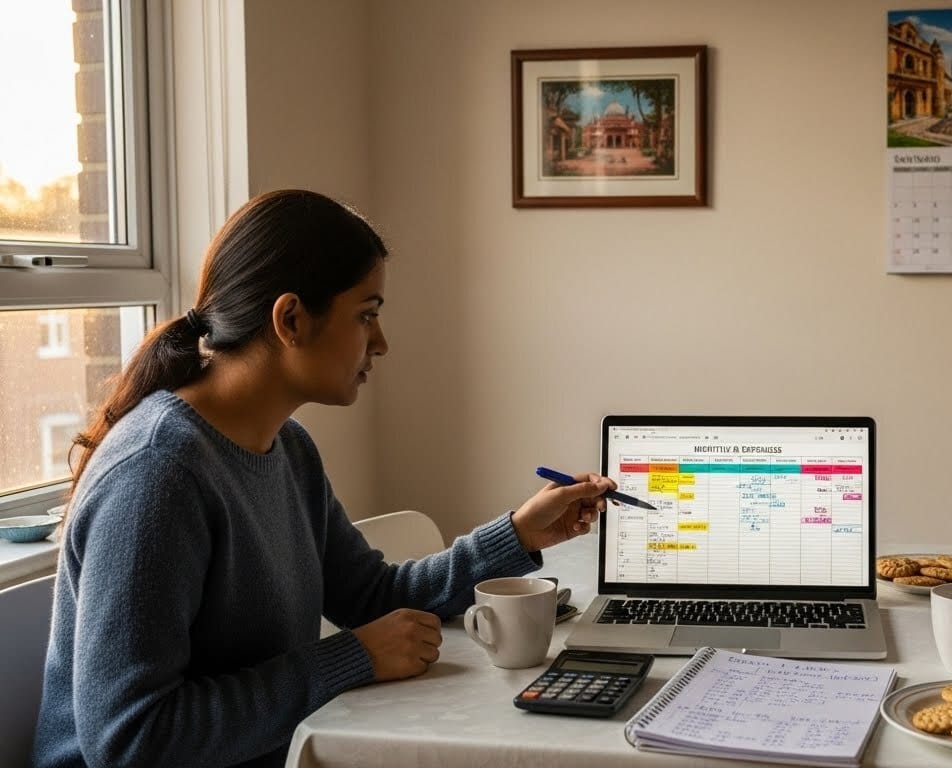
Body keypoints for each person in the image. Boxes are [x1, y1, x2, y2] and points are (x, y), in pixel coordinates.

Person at [32, 189, 616, 768]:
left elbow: (371, 597)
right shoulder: (156, 476)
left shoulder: (287, 447)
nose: (381, 343)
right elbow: (131, 739)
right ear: (290, 319)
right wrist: (351, 658)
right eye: (367, 315)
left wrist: (517, 535)